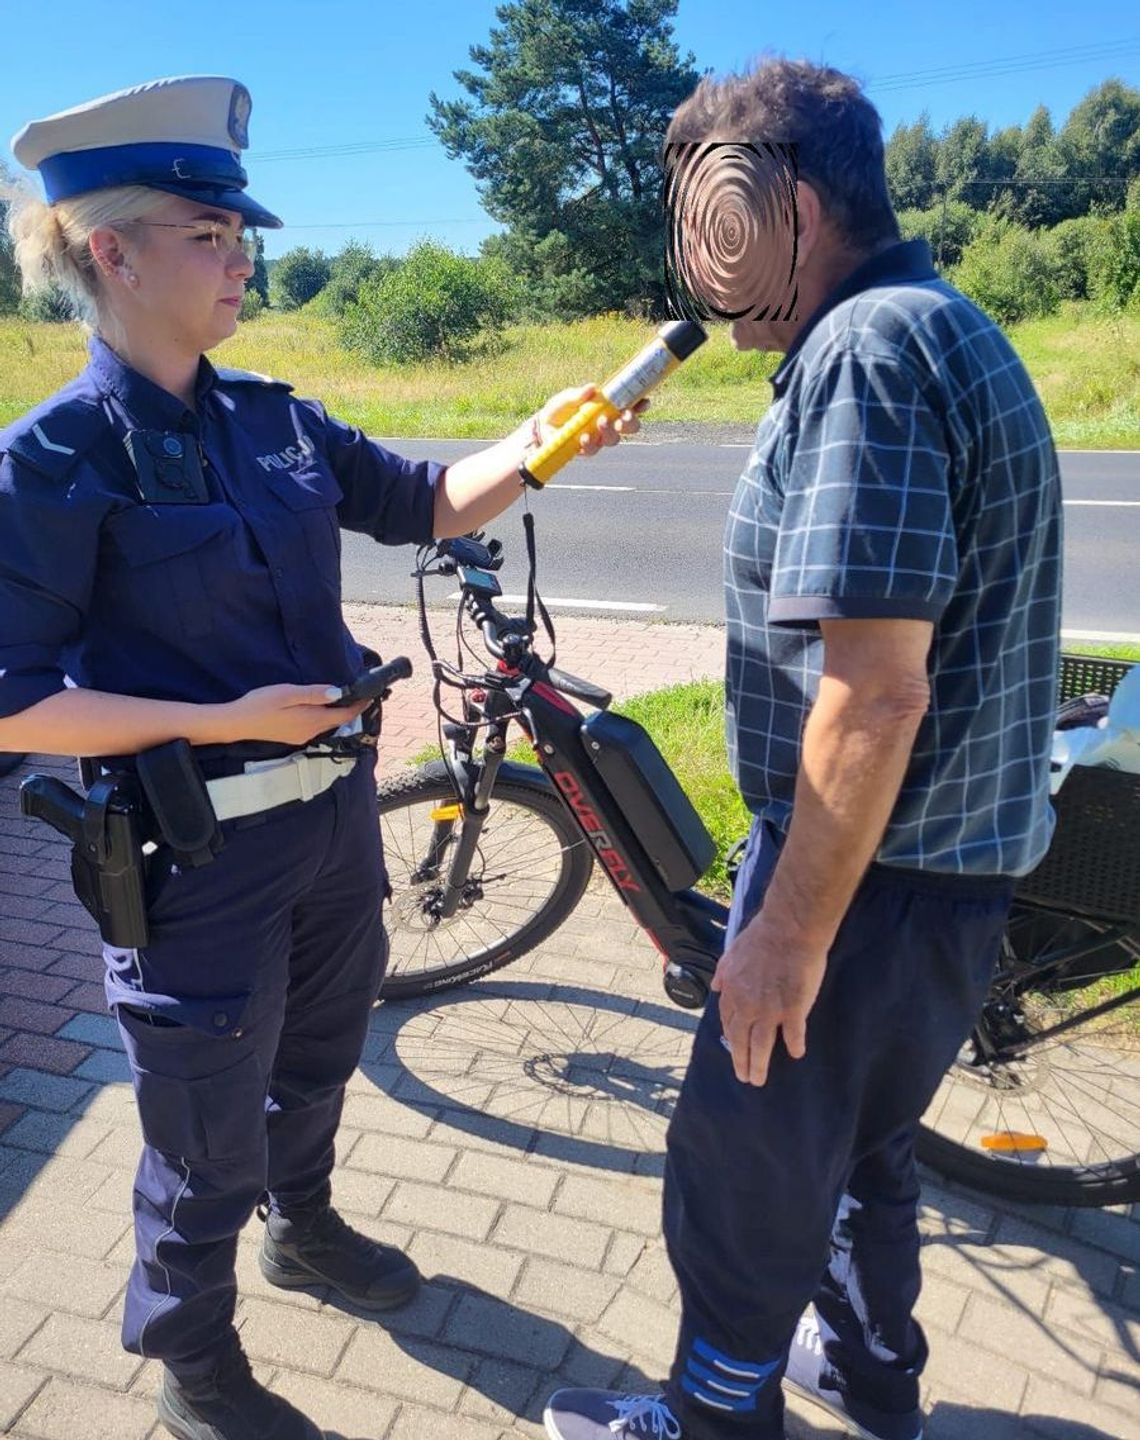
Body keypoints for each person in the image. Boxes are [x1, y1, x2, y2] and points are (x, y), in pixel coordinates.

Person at [0, 75, 644, 1440]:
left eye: (243, 233)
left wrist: (547, 440)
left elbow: (423, 501)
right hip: (195, 854)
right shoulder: (51, 463)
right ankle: (195, 1360)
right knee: (199, 1119)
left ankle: (307, 1229)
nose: (242, 257)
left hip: (334, 827)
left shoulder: (275, 420)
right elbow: (12, 707)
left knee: (323, 1051)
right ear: (110, 251)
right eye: (208, 233)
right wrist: (224, 722)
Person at [544, 58, 1062, 1440]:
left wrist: (783, 932)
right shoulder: (936, 324)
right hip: (936, 874)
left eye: (703, 204)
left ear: (789, 200)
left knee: (745, 1169)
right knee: (861, 1154)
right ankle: (874, 1375)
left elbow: (876, 695)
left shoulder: (866, 353)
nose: (691, 248)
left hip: (867, 877)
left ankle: (712, 1420)